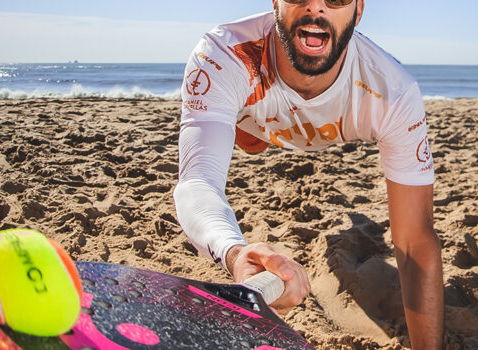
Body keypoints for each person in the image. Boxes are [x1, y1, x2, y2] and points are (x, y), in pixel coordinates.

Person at [173, 0, 442, 348]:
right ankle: (255, 132)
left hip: (334, 122)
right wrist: (235, 252)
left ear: (359, 10)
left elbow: (415, 239)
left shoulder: (392, 90)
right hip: (260, 124)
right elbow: (197, 183)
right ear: (275, 3)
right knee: (251, 144)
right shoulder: (225, 53)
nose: (316, 6)